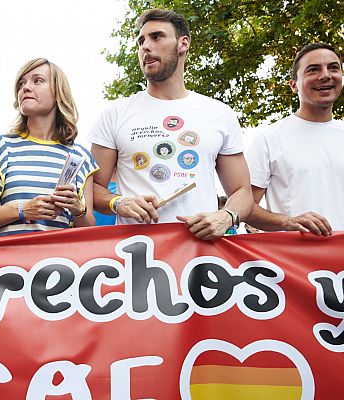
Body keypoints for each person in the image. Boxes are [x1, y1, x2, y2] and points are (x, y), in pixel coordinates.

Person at [88, 8, 253, 240]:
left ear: (183, 43)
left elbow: (242, 192)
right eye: (141, 41)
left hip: (201, 255)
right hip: (137, 255)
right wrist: (118, 202)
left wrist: (226, 217)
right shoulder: (114, 113)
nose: (146, 47)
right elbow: (91, 189)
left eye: (157, 37)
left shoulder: (218, 113)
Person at [0, 58, 98, 236]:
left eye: (38, 80)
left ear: (58, 92)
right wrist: (22, 210)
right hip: (9, 262)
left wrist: (78, 210)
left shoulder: (81, 156)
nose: (26, 87)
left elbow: (90, 231)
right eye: (22, 83)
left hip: (60, 261)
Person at [245, 43, 344, 235]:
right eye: (313, 70)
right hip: (293, 262)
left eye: (333, 68)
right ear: (294, 85)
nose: (325, 75)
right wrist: (287, 222)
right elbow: (244, 207)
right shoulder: (269, 138)